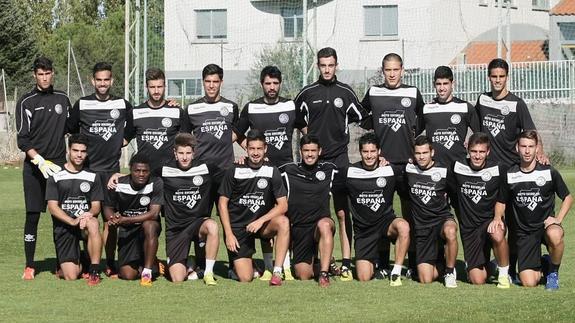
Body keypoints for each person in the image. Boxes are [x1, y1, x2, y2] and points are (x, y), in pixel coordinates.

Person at [294, 47, 368, 280]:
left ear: (337, 66)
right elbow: (297, 120)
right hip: (314, 164)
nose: (327, 69)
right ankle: (317, 258)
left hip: (339, 160)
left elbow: (363, 117)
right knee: (312, 212)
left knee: (343, 212)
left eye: (331, 65)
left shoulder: (346, 93)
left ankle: (346, 260)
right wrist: (311, 143)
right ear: (318, 66)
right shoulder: (307, 93)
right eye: (323, 65)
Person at [475, 58, 547, 281]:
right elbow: (477, 131)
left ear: (507, 77)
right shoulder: (483, 99)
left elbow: (531, 132)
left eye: (501, 76)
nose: (497, 80)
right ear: (489, 77)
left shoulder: (517, 103)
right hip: (489, 172)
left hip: (511, 172)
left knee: (515, 222)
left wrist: (540, 153)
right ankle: (488, 264)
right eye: (494, 76)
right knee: (489, 220)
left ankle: (514, 269)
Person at [360, 53, 425, 278]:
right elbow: (361, 116)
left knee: (411, 214)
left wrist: (414, 151)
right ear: (383, 70)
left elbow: (423, 120)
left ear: (402, 70)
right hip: (383, 166)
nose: (392, 74)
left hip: (407, 165)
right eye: (388, 70)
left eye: (396, 69)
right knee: (381, 213)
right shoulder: (374, 92)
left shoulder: (412, 93)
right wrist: (376, 146)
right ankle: (381, 264)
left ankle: (414, 263)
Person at [237, 65, 302, 280]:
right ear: (261, 84)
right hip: (260, 171)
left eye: (275, 83)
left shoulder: (291, 106)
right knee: (262, 215)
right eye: (268, 83)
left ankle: (286, 266)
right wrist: (249, 151)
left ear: (280, 84)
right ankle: (267, 266)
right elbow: (236, 133)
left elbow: (306, 131)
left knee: (287, 217)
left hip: (285, 169)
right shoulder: (252, 108)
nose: (272, 87)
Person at [68, 62, 133, 278]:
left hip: (111, 172)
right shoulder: (82, 104)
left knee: (111, 221)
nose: (103, 83)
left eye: (107, 79)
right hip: (88, 172)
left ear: (112, 80)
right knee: (87, 220)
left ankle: (109, 262)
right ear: (92, 81)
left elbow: (134, 126)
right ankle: (87, 261)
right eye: (99, 80)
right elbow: (70, 128)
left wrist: (121, 141)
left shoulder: (123, 105)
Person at [493, 130, 571, 290]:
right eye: (523, 146)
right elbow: (501, 202)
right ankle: (545, 261)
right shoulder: (510, 174)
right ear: (517, 148)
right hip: (525, 233)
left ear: (537, 149)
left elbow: (568, 197)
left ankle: (553, 273)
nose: (527, 151)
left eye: (531, 146)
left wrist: (558, 219)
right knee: (529, 282)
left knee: (555, 234)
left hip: (546, 226)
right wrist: (497, 218)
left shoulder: (549, 172)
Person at [16, 57, 71, 280]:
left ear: (53, 73)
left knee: (60, 216)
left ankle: (61, 263)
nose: (44, 77)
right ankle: (30, 265)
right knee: (32, 216)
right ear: (34, 75)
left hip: (58, 167)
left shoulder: (63, 99)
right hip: (34, 167)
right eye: (40, 74)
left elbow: (73, 127)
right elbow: (22, 139)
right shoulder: (25, 101)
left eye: (48, 73)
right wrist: (38, 160)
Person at [218, 129, 290, 286]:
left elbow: (283, 205)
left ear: (265, 149)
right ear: (246, 149)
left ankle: (277, 271)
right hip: (239, 228)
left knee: (283, 222)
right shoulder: (234, 170)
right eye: (252, 148)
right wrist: (229, 234)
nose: (255, 153)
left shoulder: (272, 170)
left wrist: (260, 221)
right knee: (246, 278)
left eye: (259, 149)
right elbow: (222, 203)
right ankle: (240, 267)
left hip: (262, 225)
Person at [345, 133, 410, 285]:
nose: (369, 156)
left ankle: (396, 272)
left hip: (385, 223)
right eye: (365, 152)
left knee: (403, 226)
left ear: (379, 151)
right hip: (364, 230)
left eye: (373, 151)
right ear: (360, 152)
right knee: (363, 277)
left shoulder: (390, 170)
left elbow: (407, 189)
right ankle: (377, 264)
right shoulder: (349, 172)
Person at [448, 132, 510, 288]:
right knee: (478, 280)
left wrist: (497, 219)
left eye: (482, 152)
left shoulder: (498, 168)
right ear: (468, 150)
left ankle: (504, 274)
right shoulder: (457, 167)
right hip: (469, 227)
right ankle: (493, 265)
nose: (477, 156)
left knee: (497, 233)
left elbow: (501, 199)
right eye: (474, 151)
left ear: (488, 152)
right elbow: (449, 192)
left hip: (490, 220)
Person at [160, 133, 219, 285]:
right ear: (175, 153)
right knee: (177, 279)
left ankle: (208, 272)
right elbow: (143, 177)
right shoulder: (164, 170)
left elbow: (230, 175)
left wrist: (242, 161)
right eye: (181, 153)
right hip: (175, 229)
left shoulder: (206, 168)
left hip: (198, 223)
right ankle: (190, 263)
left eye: (188, 153)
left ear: (194, 153)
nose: (184, 157)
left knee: (212, 226)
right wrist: (119, 176)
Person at [280, 135, 337, 287]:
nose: (310, 154)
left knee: (324, 225)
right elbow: (265, 170)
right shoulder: (288, 171)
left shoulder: (330, 169)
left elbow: (356, 170)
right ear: (300, 151)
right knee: (303, 275)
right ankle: (325, 260)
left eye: (313, 150)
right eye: (306, 150)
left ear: (320, 151)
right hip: (300, 229)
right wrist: (243, 162)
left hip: (321, 225)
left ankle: (324, 274)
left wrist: (381, 161)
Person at [46, 134, 103, 285]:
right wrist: (72, 221)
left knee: (94, 223)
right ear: (68, 151)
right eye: (75, 150)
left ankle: (94, 270)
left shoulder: (92, 176)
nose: (79, 154)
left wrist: (88, 215)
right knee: (71, 276)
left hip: (84, 223)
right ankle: (81, 258)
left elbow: (96, 205)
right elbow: (52, 207)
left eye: (83, 151)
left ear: (87, 153)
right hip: (64, 226)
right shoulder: (56, 176)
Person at [185, 64, 240, 213]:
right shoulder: (191, 108)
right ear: (203, 82)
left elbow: (237, 133)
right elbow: (184, 139)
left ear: (221, 82)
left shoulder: (231, 107)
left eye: (215, 82)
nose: (211, 86)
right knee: (201, 218)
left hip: (225, 171)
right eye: (208, 81)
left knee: (230, 217)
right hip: (201, 170)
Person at [406, 135, 458, 287]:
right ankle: (441, 262)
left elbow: (455, 194)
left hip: (441, 220)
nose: (421, 157)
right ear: (413, 154)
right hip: (422, 228)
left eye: (425, 153)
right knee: (425, 279)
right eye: (418, 153)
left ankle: (449, 272)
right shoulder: (408, 169)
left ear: (432, 152)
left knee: (450, 231)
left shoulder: (444, 170)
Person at [103, 154, 163, 287]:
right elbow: (107, 207)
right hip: (127, 230)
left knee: (150, 225)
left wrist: (125, 219)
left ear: (149, 171)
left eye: (145, 171)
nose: (141, 174)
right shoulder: (118, 183)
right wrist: (112, 219)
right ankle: (151, 262)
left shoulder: (156, 183)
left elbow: (154, 214)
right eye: (137, 170)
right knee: (127, 275)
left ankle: (147, 273)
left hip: (146, 228)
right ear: (130, 170)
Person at [126, 67, 189, 173]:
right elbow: (123, 140)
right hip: (145, 174)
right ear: (146, 87)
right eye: (152, 87)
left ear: (165, 86)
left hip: (171, 172)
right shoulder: (135, 113)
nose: (156, 91)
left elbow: (186, 144)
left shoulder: (177, 112)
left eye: (159, 87)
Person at [418, 66, 479, 167]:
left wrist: (471, 140)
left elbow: (480, 135)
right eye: (438, 84)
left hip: (459, 167)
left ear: (452, 84)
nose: (442, 88)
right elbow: (413, 133)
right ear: (434, 84)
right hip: (434, 168)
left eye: (445, 83)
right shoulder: (426, 109)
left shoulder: (465, 107)